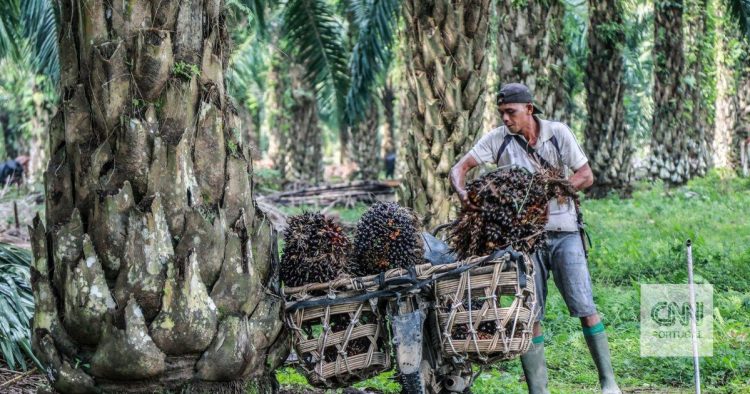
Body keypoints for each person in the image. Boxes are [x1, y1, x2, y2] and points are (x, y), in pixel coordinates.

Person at [449, 83, 621, 394]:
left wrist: (553, 191)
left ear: (529, 109)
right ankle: (538, 391)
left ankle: (608, 382)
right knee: (531, 314)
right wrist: (462, 193)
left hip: (565, 233)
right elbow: (459, 167)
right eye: (501, 112)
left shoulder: (558, 133)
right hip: (525, 243)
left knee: (585, 305)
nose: (505, 118)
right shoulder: (498, 140)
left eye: (510, 112)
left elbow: (586, 175)